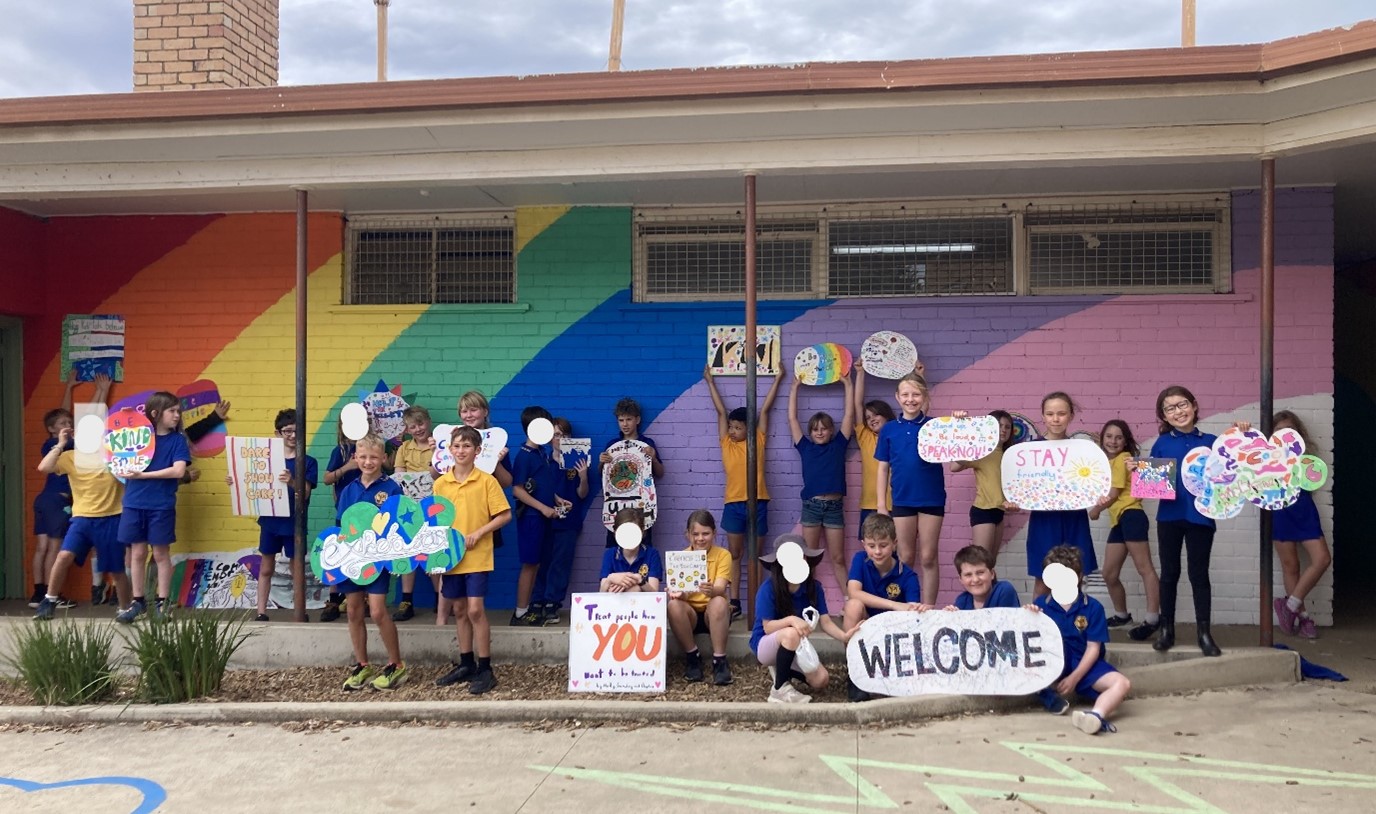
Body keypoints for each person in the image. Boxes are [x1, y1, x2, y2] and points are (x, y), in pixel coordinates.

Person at [34, 378, 128, 619]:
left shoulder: (113, 455)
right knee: (64, 556)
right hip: (82, 518)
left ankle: (126, 609)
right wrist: (61, 444)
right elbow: (44, 468)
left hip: (111, 518)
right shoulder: (72, 456)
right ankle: (49, 600)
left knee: (117, 571)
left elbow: (135, 468)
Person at [433, 425, 512, 695]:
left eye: (467, 446)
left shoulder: (486, 480)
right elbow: (436, 520)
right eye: (457, 446)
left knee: (476, 609)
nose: (461, 451)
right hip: (452, 556)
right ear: (449, 449)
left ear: (478, 451)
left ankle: (485, 667)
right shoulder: (441, 483)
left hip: (477, 555)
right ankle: (466, 662)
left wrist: (479, 532)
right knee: (458, 610)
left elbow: (504, 515)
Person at [704, 364, 783, 620]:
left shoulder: (758, 438)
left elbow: (766, 409)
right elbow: (719, 411)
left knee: (756, 556)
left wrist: (778, 378)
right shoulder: (726, 443)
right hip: (734, 504)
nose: (732, 431)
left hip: (758, 502)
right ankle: (735, 601)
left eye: (738, 427)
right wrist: (709, 381)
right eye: (731, 426)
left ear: (748, 428)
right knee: (735, 555)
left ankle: (758, 603)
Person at [331, 433, 408, 690]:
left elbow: (398, 525)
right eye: (362, 457)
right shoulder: (349, 489)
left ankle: (396, 664)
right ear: (355, 458)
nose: (367, 461)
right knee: (353, 610)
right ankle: (362, 665)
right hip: (352, 559)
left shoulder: (391, 488)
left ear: (384, 458)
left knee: (376, 611)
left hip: (378, 559)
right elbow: (341, 525)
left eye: (373, 457)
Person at [1149, 386, 1221, 656]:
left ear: (1194, 405)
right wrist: (1137, 470)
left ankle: (1204, 633)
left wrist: (1242, 433)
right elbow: (1151, 483)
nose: (1178, 411)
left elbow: (1232, 469)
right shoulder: (1161, 443)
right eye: (1170, 408)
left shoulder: (1213, 442)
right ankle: (1166, 631)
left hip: (1202, 516)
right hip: (1169, 516)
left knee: (1199, 575)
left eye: (1182, 405)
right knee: (1169, 574)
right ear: (1164, 416)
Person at [224, 409, 316, 622]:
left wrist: (292, 481)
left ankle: (299, 611)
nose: (292, 436)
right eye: (287, 431)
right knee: (266, 567)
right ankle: (261, 611)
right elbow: (249, 478)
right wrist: (235, 481)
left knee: (297, 569)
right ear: (278, 433)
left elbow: (306, 492)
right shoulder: (264, 459)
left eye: (296, 431)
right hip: (271, 520)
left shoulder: (308, 461)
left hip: (294, 521)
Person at [1032, 545, 1131, 734]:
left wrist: (1074, 678)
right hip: (1053, 662)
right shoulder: (1040, 605)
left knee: (1122, 684)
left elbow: (1093, 648)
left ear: (1077, 576)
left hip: (1083, 662)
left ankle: (1095, 716)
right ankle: (1047, 695)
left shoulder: (1093, 607)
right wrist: (1028, 614)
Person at [115, 392, 192, 623]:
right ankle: (137, 602)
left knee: (160, 554)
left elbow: (179, 471)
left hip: (161, 504)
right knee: (137, 553)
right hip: (134, 502)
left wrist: (144, 475)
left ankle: (162, 603)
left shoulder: (177, 440)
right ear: (156, 413)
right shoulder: (138, 437)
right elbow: (115, 438)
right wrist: (125, 417)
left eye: (178, 411)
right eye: (172, 411)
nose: (177, 415)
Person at [751, 535, 857, 703]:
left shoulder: (814, 588)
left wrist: (844, 636)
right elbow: (768, 627)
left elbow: (826, 622)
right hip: (766, 645)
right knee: (791, 633)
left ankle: (782, 667)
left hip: (795, 644)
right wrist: (792, 620)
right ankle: (779, 689)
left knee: (821, 680)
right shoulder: (768, 588)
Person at [874, 371, 949, 605]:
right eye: (905, 394)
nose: (910, 399)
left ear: (924, 396)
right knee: (905, 556)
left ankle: (929, 608)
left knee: (928, 557)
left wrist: (960, 425)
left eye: (916, 394)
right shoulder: (889, 429)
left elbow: (956, 460)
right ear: (897, 397)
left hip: (931, 499)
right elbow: (883, 469)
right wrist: (880, 504)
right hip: (902, 499)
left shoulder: (936, 427)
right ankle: (905, 607)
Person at [1019, 392, 1097, 597]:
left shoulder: (1081, 449)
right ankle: (1039, 627)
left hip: (1074, 517)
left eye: (1061, 413)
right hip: (1044, 520)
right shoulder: (1030, 451)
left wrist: (1100, 495)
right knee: (1043, 579)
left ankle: (1074, 627)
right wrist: (1014, 500)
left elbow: (1092, 482)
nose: (1055, 419)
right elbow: (1021, 486)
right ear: (1043, 416)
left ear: (1071, 415)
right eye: (1050, 414)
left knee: (1075, 577)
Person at [1090, 419, 1162, 640]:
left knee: (1145, 568)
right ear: (1102, 439)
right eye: (1109, 436)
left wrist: (1095, 511)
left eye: (1119, 437)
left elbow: (1113, 494)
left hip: (1132, 516)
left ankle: (1153, 619)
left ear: (1125, 441)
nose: (1113, 441)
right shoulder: (1109, 463)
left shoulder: (1122, 459)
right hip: (1119, 521)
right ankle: (1122, 615)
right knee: (1109, 574)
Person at [841, 513, 924, 702]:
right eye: (871, 546)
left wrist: (914, 608)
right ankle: (855, 673)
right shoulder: (860, 559)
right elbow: (853, 592)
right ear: (864, 544)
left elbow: (912, 613)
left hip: (892, 634)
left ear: (894, 543)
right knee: (853, 606)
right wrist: (894, 605)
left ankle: (897, 674)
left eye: (883, 545)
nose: (877, 551)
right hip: (866, 624)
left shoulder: (908, 576)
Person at [787, 372, 855, 598]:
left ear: (831, 431)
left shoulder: (839, 445)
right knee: (809, 557)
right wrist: (796, 387)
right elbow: (792, 420)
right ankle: (805, 599)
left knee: (838, 558)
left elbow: (848, 415)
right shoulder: (805, 446)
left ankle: (849, 601)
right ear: (810, 432)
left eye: (824, 428)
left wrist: (847, 384)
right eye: (815, 428)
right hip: (812, 507)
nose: (819, 431)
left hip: (834, 507)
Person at [1269, 410, 1332, 639]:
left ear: (1298, 434)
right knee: (1291, 566)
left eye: (1290, 430)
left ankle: (1289, 606)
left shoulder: (1305, 458)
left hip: (1304, 510)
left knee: (1322, 559)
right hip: (1279, 511)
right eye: (1278, 431)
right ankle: (1303, 617)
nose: (1285, 435)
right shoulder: (1264, 459)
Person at [532, 417, 590, 624]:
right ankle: (537, 601)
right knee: (542, 561)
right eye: (556, 435)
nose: (560, 439)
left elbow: (582, 495)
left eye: (564, 435)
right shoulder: (542, 461)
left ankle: (552, 603)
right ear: (549, 438)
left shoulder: (576, 462)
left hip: (568, 522)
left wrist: (583, 477)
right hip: (544, 519)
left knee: (561, 563)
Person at [30, 376, 82, 609]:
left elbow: (62, 416)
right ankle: (53, 594)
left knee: (42, 548)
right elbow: (67, 422)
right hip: (57, 501)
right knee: (54, 548)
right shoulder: (65, 444)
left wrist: (69, 388)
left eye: (69, 423)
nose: (68, 426)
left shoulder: (48, 443)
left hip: (43, 499)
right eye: (62, 424)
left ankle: (38, 593)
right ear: (52, 429)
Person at [666, 509, 734, 685]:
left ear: (714, 533)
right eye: (695, 534)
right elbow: (682, 591)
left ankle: (719, 661)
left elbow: (720, 586)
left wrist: (712, 590)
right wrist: (679, 594)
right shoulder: (681, 558)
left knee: (719, 601)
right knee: (673, 605)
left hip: (714, 614)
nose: (700, 538)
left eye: (706, 533)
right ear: (687, 534)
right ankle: (692, 657)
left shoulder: (723, 555)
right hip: (690, 616)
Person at [510, 406, 563, 625]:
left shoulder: (541, 453)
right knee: (530, 564)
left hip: (544, 517)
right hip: (532, 518)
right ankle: (520, 611)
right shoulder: (524, 456)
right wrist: (542, 508)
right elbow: (517, 489)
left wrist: (556, 499)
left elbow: (541, 484)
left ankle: (526, 608)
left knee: (538, 563)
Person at [950, 409, 1017, 562]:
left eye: (1007, 427)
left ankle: (990, 587)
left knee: (991, 562)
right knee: (980, 561)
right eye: (999, 426)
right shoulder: (982, 451)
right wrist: (960, 428)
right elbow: (954, 466)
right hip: (983, 510)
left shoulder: (1010, 455)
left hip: (999, 511)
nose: (1003, 430)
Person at [599, 396, 665, 548]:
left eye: (628, 419)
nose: (625, 424)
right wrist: (601, 462)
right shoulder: (612, 446)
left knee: (643, 548)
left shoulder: (647, 444)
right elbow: (603, 477)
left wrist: (653, 457)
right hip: (617, 505)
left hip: (641, 504)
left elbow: (660, 473)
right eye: (621, 420)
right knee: (614, 548)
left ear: (638, 419)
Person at [392, 404, 437, 622]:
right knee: (408, 553)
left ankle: (440, 598)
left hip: (433, 507)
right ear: (407, 429)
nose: (417, 429)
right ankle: (407, 599)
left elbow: (440, 472)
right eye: (412, 426)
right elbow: (399, 476)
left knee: (434, 552)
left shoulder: (438, 446)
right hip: (409, 509)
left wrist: (434, 459)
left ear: (428, 421)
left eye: (420, 424)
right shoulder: (404, 449)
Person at [319, 417, 360, 623]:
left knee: (365, 555)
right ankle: (333, 600)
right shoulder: (340, 451)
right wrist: (348, 467)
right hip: (344, 513)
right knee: (338, 556)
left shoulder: (368, 446)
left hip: (367, 514)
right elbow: (327, 478)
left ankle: (365, 599)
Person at [851, 361, 895, 545]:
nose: (871, 420)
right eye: (868, 417)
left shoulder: (898, 434)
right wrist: (860, 373)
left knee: (895, 550)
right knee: (870, 551)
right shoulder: (865, 437)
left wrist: (920, 376)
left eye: (875, 415)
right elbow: (857, 404)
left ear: (886, 414)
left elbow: (922, 411)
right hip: (869, 504)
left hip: (896, 504)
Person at [599, 508, 663, 592]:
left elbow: (655, 593)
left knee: (635, 588)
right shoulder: (610, 554)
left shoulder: (652, 554)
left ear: (642, 531)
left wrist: (640, 581)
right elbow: (602, 593)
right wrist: (610, 579)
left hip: (643, 603)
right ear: (616, 533)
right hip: (614, 601)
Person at [945, 544, 1021, 610]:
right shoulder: (962, 601)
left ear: (992, 574)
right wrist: (950, 617)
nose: (975, 579)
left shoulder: (1003, 590)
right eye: (968, 575)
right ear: (961, 579)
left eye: (980, 573)